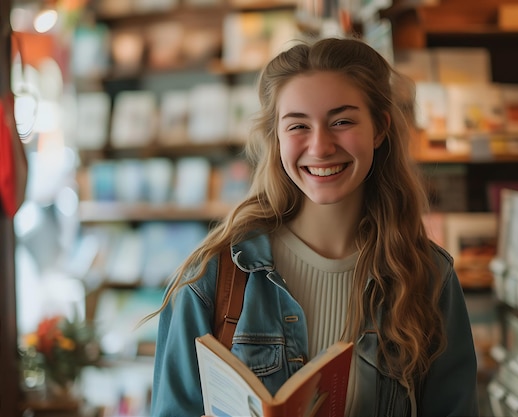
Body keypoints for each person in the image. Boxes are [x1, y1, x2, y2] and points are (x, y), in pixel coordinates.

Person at [150, 36, 478, 417]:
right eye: (298, 126)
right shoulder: (212, 279)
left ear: (379, 128)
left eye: (341, 121)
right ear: (276, 136)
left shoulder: (427, 277)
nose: (320, 147)